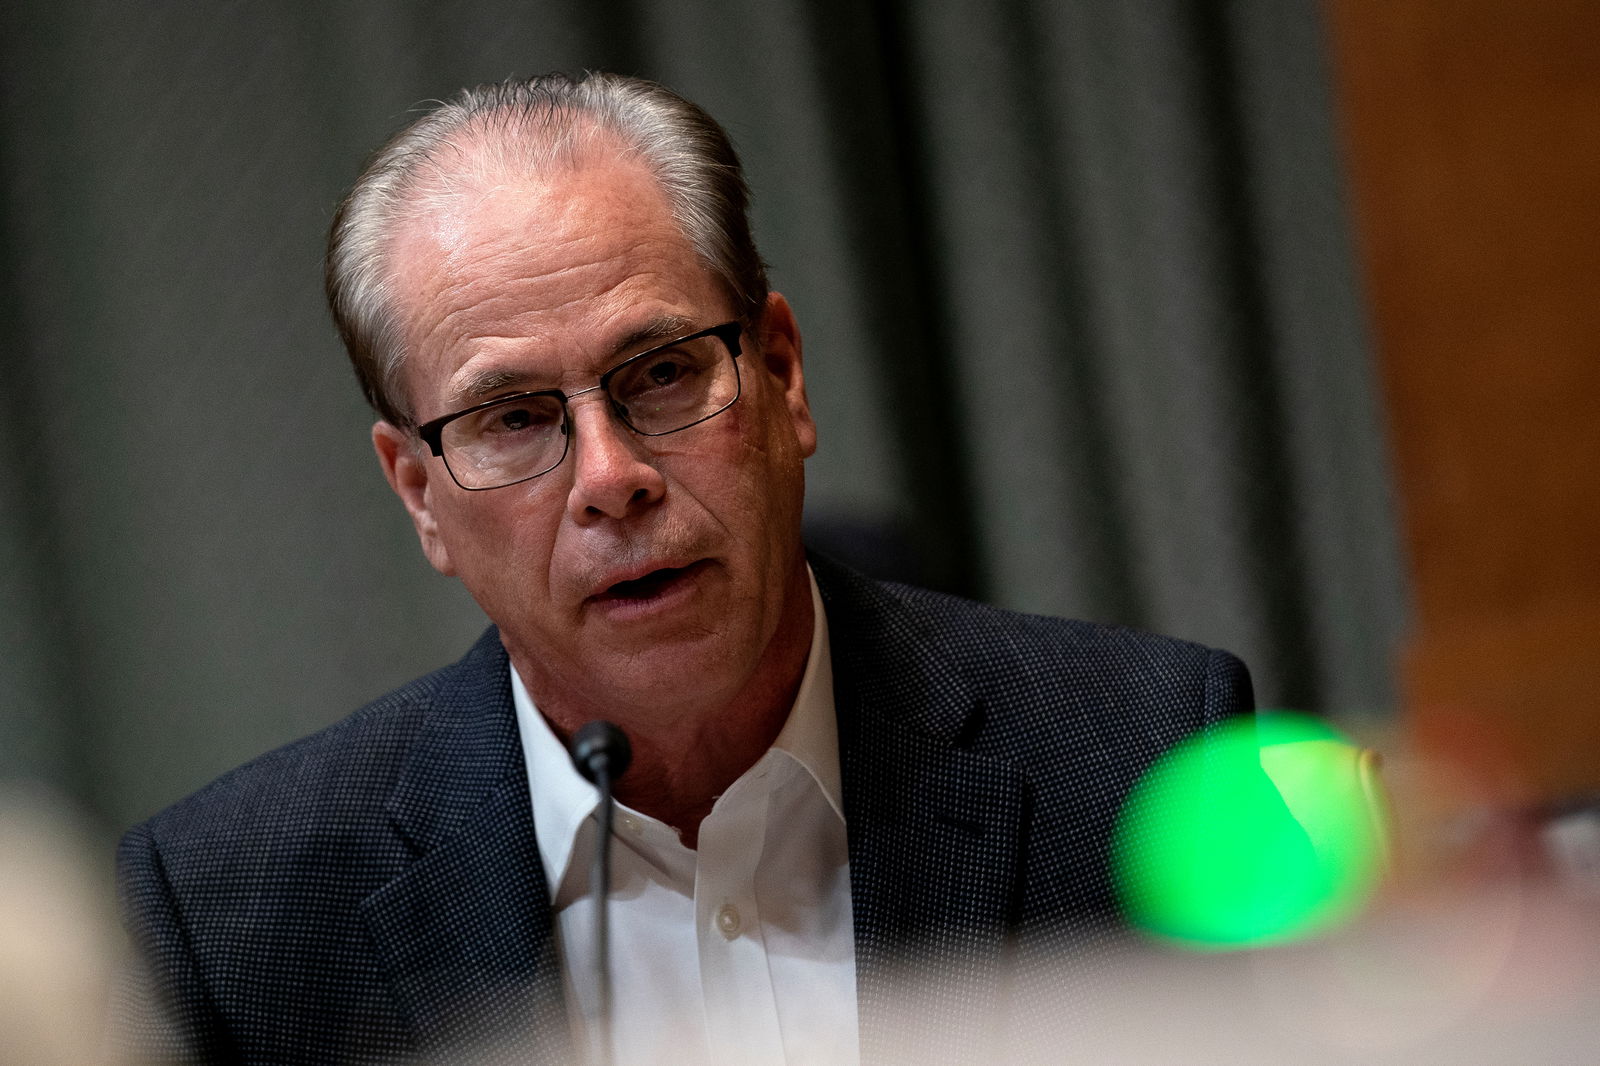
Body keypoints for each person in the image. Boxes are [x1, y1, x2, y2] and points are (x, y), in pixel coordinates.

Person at [117, 72, 1255, 1065]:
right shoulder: (235, 925)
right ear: (420, 493)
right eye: (512, 417)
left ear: (781, 373)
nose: (611, 477)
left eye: (660, 373)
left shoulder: (1142, 760)